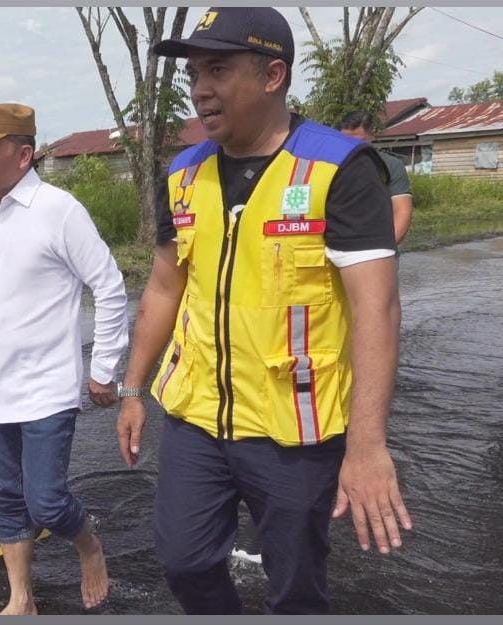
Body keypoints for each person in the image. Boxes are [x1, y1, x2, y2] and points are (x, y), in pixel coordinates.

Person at [114, 7, 414, 614]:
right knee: (183, 560)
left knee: (296, 584)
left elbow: (376, 308)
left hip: (295, 430)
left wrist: (367, 445)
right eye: (195, 73)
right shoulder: (183, 172)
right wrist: (132, 387)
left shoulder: (340, 169)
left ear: (273, 75)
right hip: (198, 416)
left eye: (218, 70)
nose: (200, 89)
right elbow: (165, 287)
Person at [0, 103, 128, 614]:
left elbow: (109, 286)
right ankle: (21, 598)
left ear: (23, 154)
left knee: (46, 501)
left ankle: (88, 545)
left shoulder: (59, 210)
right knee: (6, 499)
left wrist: (103, 369)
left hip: (47, 387)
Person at [338, 110, 415, 243]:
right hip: (336, 248)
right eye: (345, 141)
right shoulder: (328, 164)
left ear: (372, 134)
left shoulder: (391, 165)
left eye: (358, 141)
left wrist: (387, 247)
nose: (350, 147)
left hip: (376, 245)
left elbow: (402, 211)